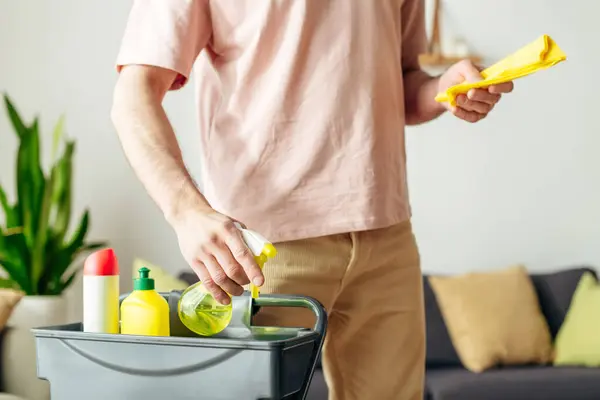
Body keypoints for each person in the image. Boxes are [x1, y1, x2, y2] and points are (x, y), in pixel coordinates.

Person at [111, 1, 514, 399]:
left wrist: (444, 90)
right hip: (262, 248)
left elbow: (402, 80)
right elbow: (134, 94)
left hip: (386, 236)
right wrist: (187, 213)